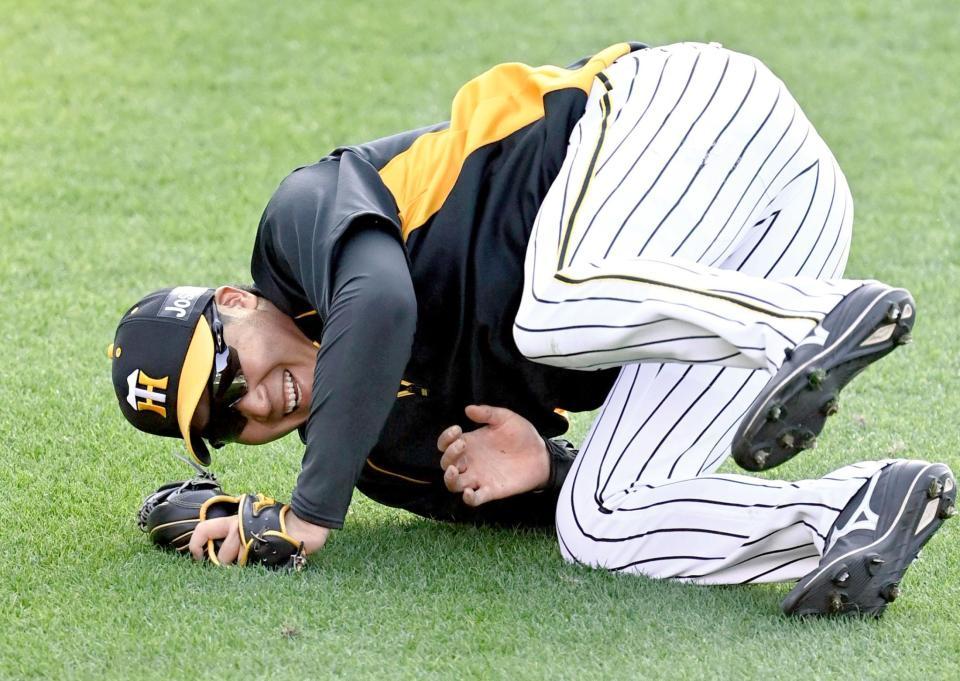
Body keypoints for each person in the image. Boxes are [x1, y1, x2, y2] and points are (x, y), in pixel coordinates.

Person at [110, 41, 955, 616]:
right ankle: (849, 512)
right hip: (740, 261)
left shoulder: (299, 228)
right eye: (225, 421)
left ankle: (809, 326)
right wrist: (541, 469)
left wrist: (305, 515)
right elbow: (544, 503)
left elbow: (382, 304)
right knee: (600, 521)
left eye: (227, 376)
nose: (254, 404)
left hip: (687, 116)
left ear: (235, 301)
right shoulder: (381, 450)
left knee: (549, 311)